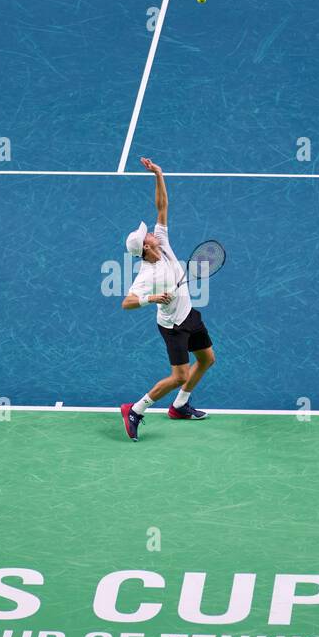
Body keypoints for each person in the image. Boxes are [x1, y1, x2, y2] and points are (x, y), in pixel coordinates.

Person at [119, 157, 215, 442]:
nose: (151, 231)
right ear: (146, 247)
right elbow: (126, 302)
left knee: (207, 359)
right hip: (174, 326)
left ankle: (180, 406)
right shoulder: (147, 273)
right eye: (146, 234)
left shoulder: (162, 241)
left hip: (189, 314)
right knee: (179, 376)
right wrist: (154, 297)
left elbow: (162, 206)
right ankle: (135, 409)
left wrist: (158, 174)